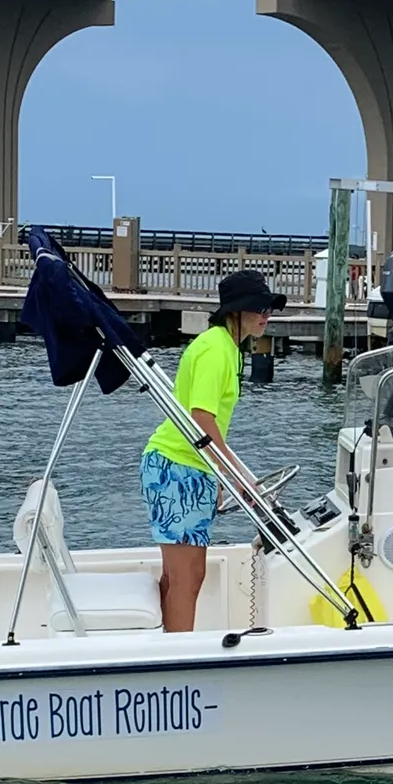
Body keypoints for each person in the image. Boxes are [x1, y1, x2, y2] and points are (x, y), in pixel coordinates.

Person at [141, 269, 287, 632]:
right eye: (259, 310)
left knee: (182, 576)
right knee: (187, 577)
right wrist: (232, 474)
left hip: (191, 467)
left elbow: (209, 425)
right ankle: (177, 663)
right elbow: (201, 417)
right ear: (236, 312)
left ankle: (167, 649)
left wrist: (214, 474)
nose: (266, 316)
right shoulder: (214, 349)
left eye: (269, 309)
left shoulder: (229, 349)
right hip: (175, 467)